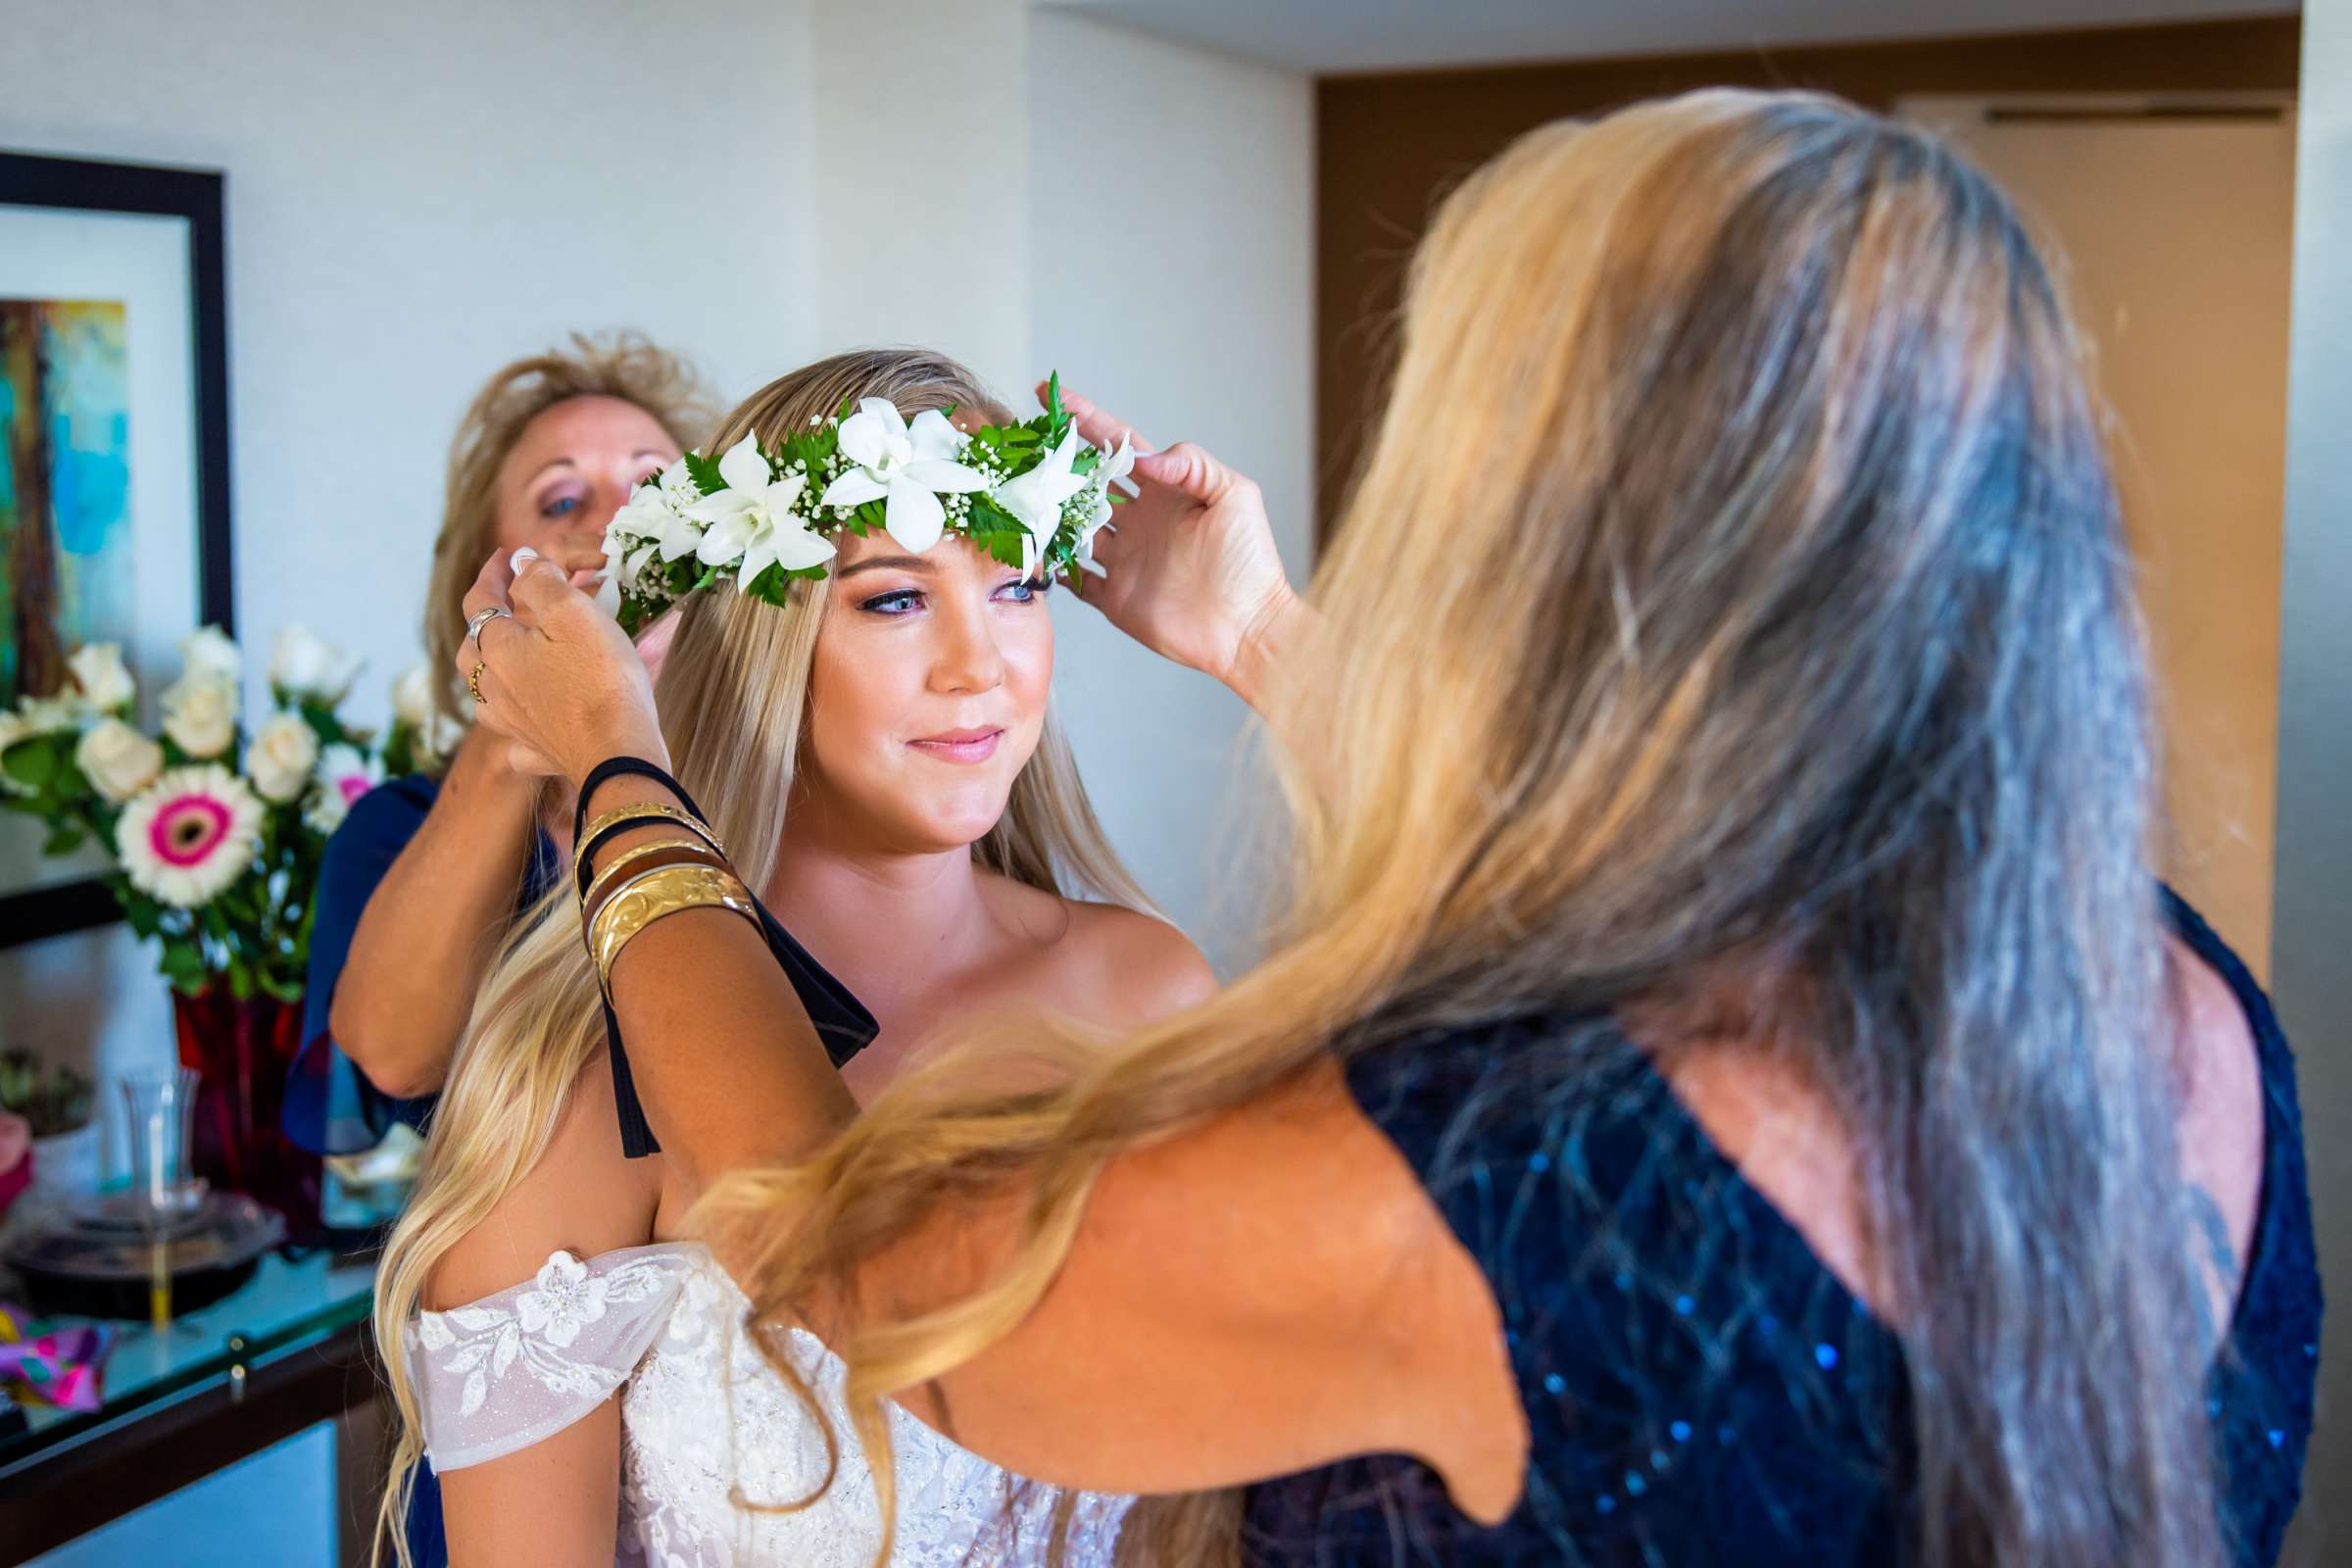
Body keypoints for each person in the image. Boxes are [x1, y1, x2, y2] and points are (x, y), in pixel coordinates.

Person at [460, 92, 2320, 1568]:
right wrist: (1259, 636)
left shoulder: (1526, 1166)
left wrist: (617, 774)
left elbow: (860, 1268)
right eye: (889, 597)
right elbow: (1649, 865)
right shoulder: (2175, 1001)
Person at [380, 350, 1214, 1567]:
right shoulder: (572, 1076)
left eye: (1020, 583)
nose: (981, 667)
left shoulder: (1153, 991)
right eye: (892, 598)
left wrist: (1251, 631)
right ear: (755, 636)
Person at [285, 332, 710, 1158]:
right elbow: (396, 1057)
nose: (619, 524)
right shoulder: (390, 832)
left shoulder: (802, 792)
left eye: (655, 487)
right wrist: (517, 696)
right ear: (483, 581)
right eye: (561, 503)